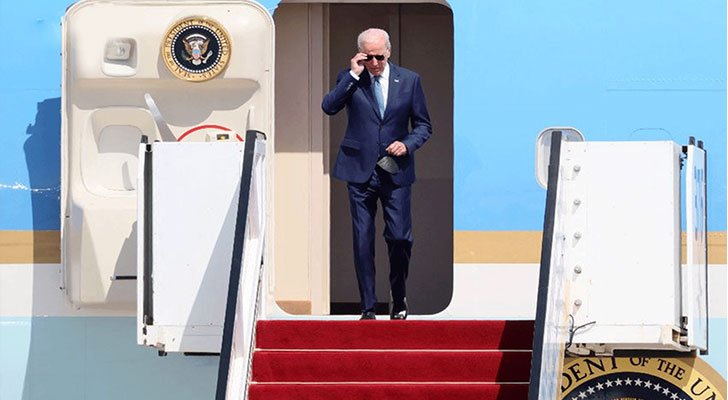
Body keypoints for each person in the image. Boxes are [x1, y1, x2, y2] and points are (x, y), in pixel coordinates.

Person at [322, 28, 432, 320]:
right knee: (363, 238)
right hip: (359, 171)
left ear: (389, 52)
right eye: (368, 57)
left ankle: (399, 297)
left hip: (395, 171)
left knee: (399, 237)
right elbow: (329, 107)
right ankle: (368, 306)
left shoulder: (409, 80)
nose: (374, 63)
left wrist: (407, 144)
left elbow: (423, 125)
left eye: (379, 57)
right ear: (360, 55)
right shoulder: (351, 79)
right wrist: (353, 74)